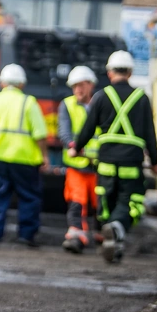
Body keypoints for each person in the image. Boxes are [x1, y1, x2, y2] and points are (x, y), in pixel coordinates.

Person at [69, 51, 157, 263]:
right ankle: (118, 231)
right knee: (130, 202)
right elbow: (150, 134)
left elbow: (87, 128)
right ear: (130, 72)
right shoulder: (142, 98)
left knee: (107, 203)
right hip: (131, 162)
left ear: (110, 73)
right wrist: (155, 162)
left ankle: (114, 240)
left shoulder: (101, 96)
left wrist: (77, 148)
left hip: (106, 163)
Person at [0, 64, 50, 249]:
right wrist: (44, 156)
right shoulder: (28, 103)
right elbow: (40, 134)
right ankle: (26, 236)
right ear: (22, 84)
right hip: (24, 159)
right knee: (29, 197)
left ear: (2, 83)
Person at [58, 65, 101, 254]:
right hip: (77, 165)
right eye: (74, 86)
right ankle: (77, 235)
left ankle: (102, 235)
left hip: (99, 165)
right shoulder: (66, 105)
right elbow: (64, 131)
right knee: (77, 201)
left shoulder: (100, 104)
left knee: (101, 203)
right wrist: (71, 146)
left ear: (91, 85)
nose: (78, 90)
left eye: (81, 85)